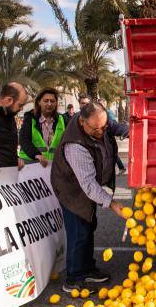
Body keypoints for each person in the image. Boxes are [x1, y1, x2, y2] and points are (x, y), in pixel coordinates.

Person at [50, 101, 126, 292]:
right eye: (95, 129)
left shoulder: (98, 122)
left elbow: (115, 127)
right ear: (82, 122)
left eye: (104, 127)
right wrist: (112, 204)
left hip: (87, 186)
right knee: (78, 232)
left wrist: (134, 131)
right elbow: (89, 185)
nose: (101, 132)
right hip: (72, 190)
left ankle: (87, 269)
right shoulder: (75, 146)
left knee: (89, 226)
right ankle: (73, 278)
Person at [19, 88, 66, 167]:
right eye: (46, 101)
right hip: (31, 166)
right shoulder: (30, 118)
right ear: (39, 102)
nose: (49, 104)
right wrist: (36, 154)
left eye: (52, 101)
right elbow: (23, 139)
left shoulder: (62, 120)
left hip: (52, 166)